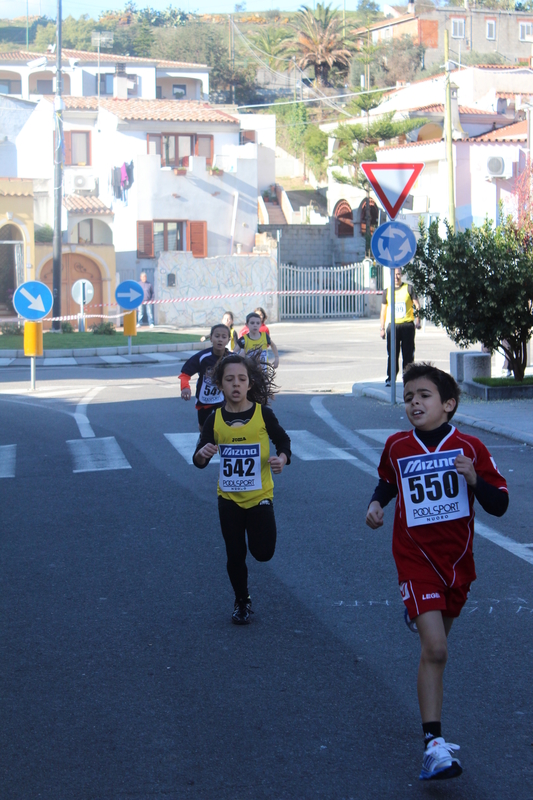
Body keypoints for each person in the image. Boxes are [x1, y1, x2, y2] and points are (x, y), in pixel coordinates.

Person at [365, 363, 508, 782]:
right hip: (414, 559)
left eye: (424, 395)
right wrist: (376, 504)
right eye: (409, 397)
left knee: (435, 649)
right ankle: (433, 745)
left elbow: (499, 503)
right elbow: (388, 481)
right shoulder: (396, 446)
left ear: (448, 404)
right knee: (437, 648)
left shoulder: (471, 448)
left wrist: (473, 479)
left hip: (457, 562)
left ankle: (420, 614)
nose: (414, 403)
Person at [193, 354, 291, 625]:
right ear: (220, 385)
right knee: (235, 553)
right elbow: (198, 460)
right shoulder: (215, 419)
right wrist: (203, 453)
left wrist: (281, 459)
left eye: (241, 379)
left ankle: (245, 590)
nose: (236, 384)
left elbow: (283, 441)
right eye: (229, 380)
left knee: (263, 553)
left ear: (249, 384)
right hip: (229, 498)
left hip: (260, 496)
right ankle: (242, 600)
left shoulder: (263, 414)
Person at [179, 324, 231, 432]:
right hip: (205, 398)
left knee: (225, 422)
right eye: (217, 336)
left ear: (228, 340)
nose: (220, 340)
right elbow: (185, 373)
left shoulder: (232, 358)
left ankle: (222, 444)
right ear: (211, 338)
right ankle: (203, 438)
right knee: (203, 426)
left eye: (223, 337)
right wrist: (185, 387)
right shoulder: (202, 357)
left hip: (223, 397)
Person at [380, 269, 420, 387]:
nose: (396, 277)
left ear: (401, 275)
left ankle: (408, 378)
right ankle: (391, 378)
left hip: (407, 325)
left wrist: (418, 320)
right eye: (394, 274)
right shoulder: (387, 291)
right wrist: (382, 328)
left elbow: (417, 305)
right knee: (392, 353)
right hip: (393, 326)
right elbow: (383, 311)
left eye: (398, 274)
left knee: (408, 354)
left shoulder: (409, 288)